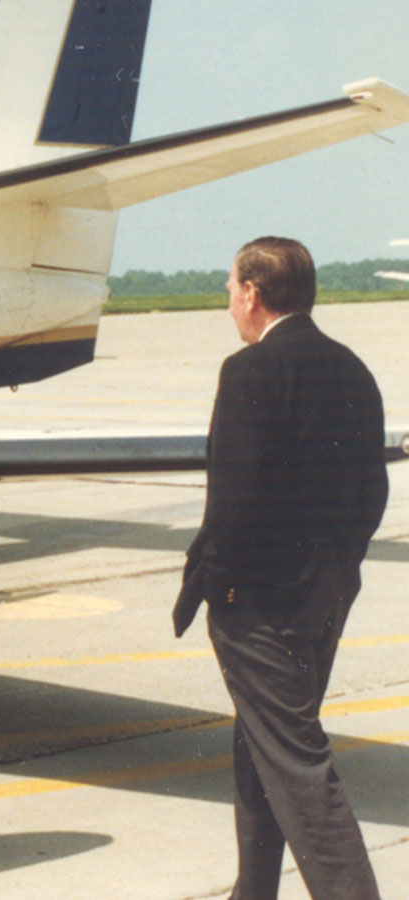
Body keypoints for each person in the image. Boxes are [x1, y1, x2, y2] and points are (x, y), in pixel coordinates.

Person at [173, 237, 387, 900]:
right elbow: (372, 491)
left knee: (296, 765)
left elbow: (232, 499)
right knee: (261, 745)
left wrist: (222, 580)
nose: (230, 302)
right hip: (325, 595)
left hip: (260, 607)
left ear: (252, 294)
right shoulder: (353, 368)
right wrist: (337, 567)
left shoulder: (250, 372)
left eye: (231, 289)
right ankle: (254, 890)